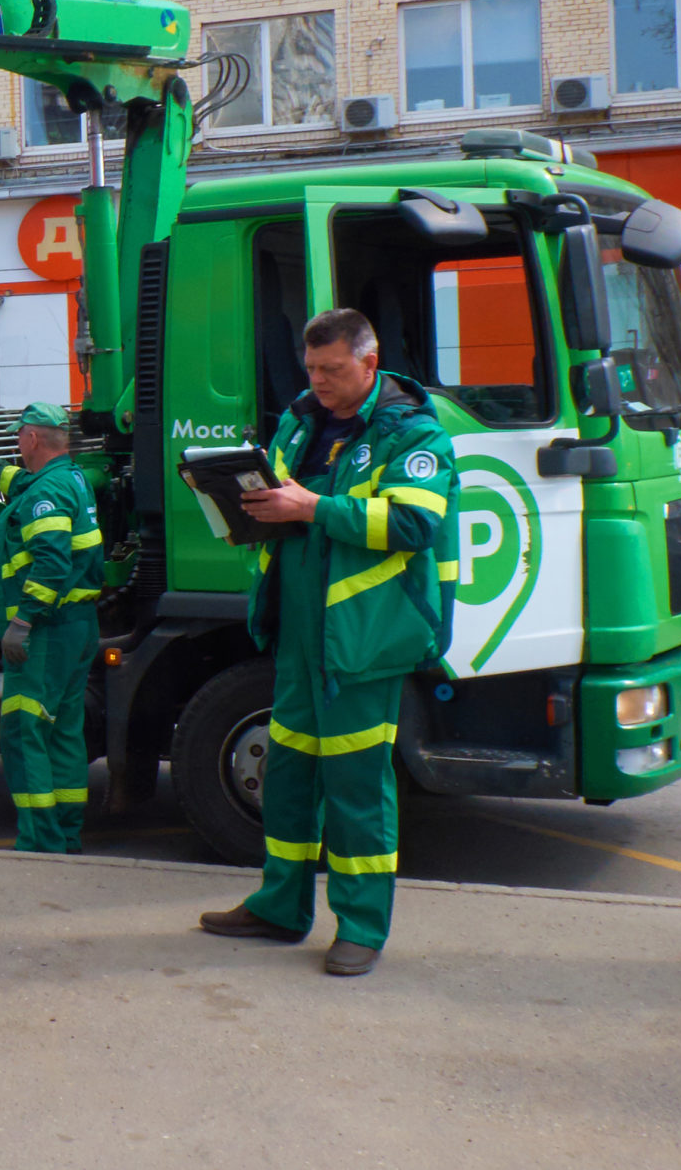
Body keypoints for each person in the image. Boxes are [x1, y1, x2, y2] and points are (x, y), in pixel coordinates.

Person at [199, 308, 458, 977]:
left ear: (369, 365)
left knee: (356, 787)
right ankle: (280, 907)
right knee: (287, 776)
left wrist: (307, 506)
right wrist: (240, 511)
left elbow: (412, 524)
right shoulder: (301, 420)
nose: (318, 381)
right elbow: (281, 503)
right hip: (300, 635)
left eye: (333, 370)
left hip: (363, 640)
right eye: (311, 368)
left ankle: (362, 927)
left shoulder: (413, 433)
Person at [0, 403, 103, 854]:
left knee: (24, 731)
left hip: (46, 631)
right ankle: (66, 832)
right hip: (77, 626)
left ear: (32, 439)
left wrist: (21, 623)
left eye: (20, 438)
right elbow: (20, 482)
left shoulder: (44, 494)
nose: (17, 445)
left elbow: (52, 564)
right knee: (64, 730)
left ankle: (40, 840)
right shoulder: (68, 478)